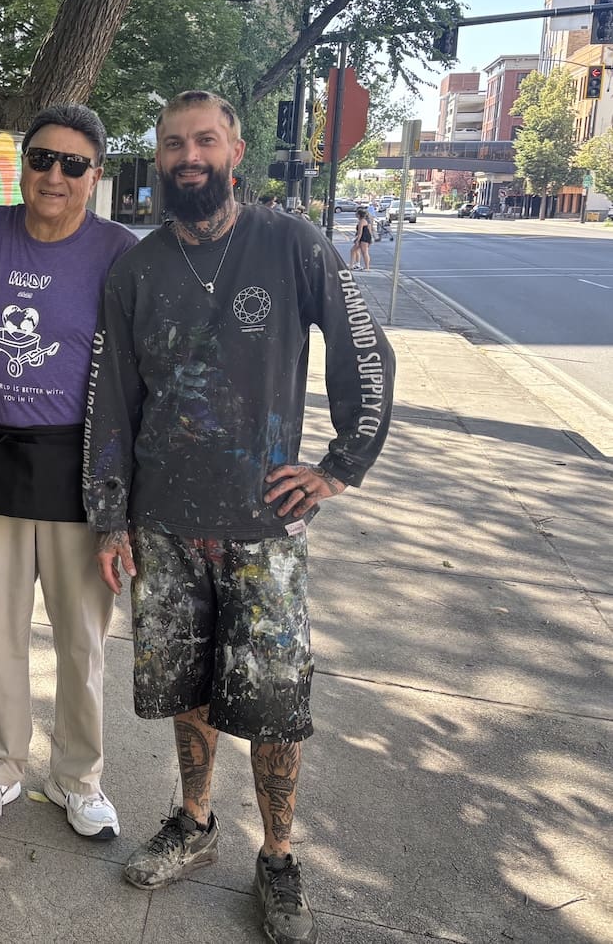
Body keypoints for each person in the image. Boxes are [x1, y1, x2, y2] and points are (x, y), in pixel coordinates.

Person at [83, 90, 394, 944]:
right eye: (175, 142)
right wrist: (110, 516)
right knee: (189, 691)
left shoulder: (290, 243)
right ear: (161, 155)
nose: (189, 155)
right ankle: (193, 820)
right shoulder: (137, 270)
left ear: (235, 148)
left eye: (205, 140)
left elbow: (363, 345)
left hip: (266, 528)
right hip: (165, 526)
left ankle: (281, 858)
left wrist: (339, 466)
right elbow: (110, 399)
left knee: (274, 703)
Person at [0, 104, 137, 838]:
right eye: (42, 159)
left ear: (95, 175)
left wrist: (126, 496)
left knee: (81, 636)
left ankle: (78, 778)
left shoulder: (116, 251)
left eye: (73, 164)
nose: (54, 175)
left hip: (79, 468)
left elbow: (137, 373)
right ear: (23, 165)